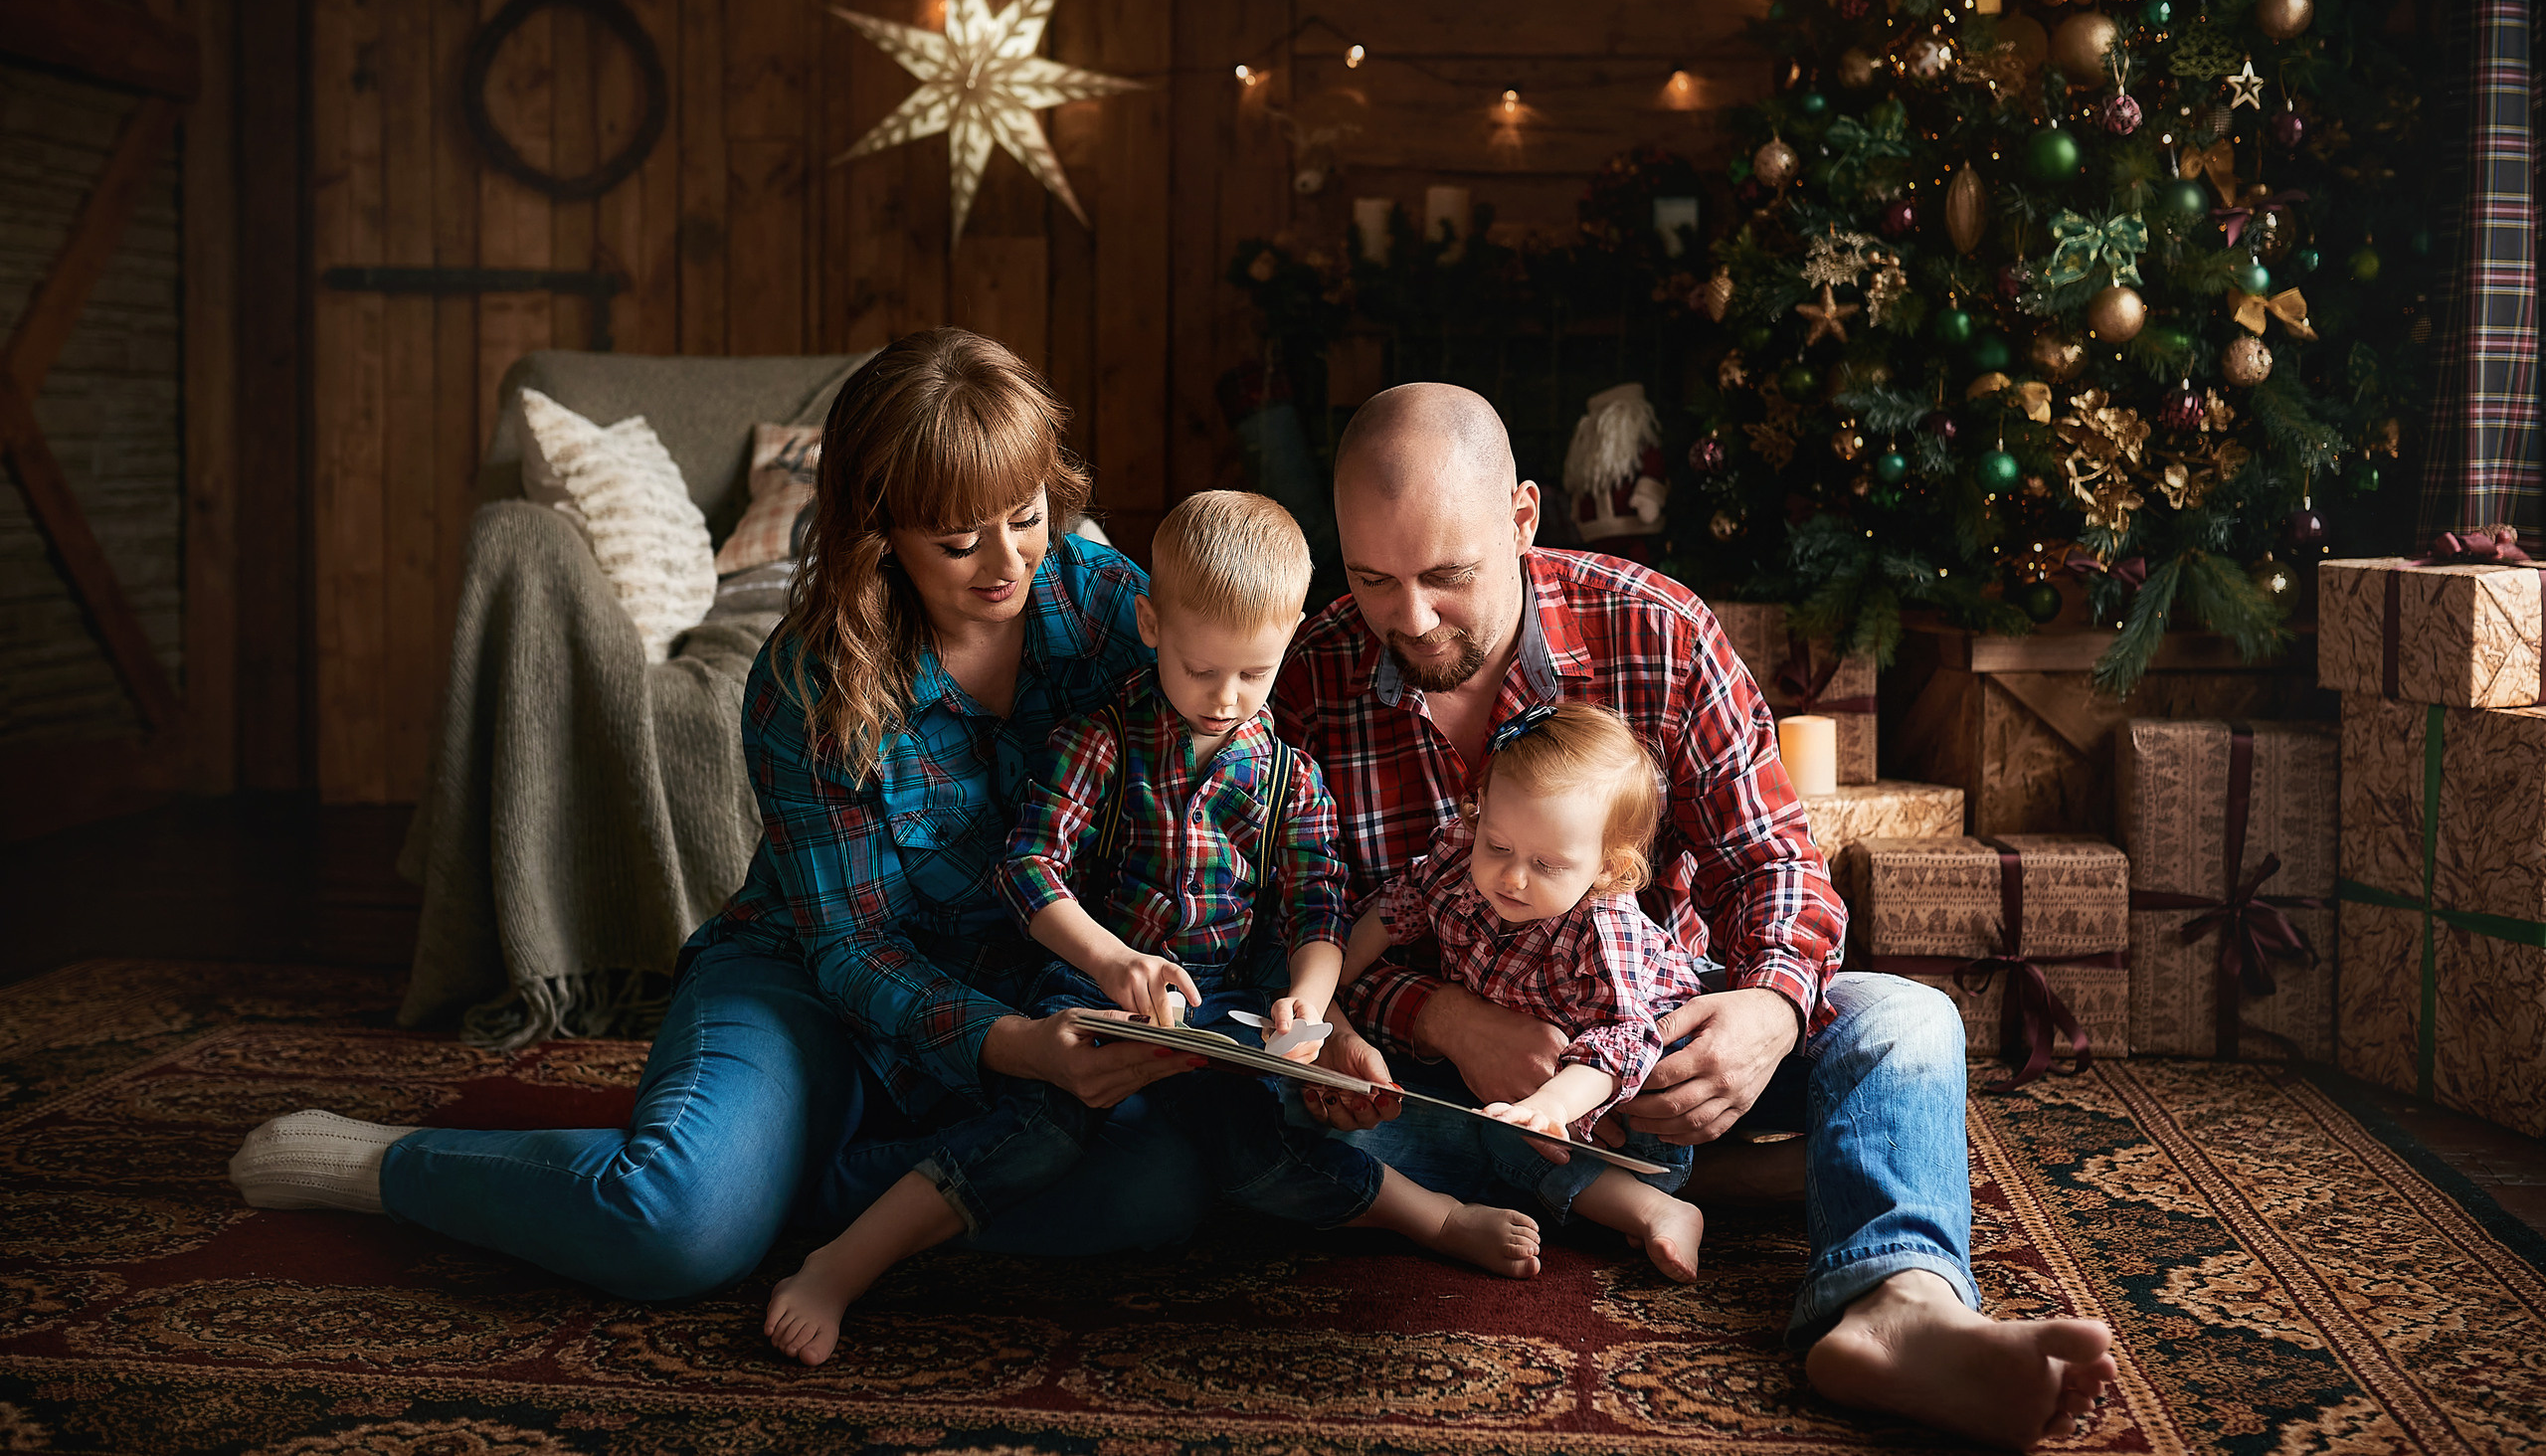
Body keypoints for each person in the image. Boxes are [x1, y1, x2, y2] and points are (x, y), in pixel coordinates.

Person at [225, 330, 1222, 1296]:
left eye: (1027, 515)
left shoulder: (1112, 609)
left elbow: (1232, 782)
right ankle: (398, 1165)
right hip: (811, 990)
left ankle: (783, 1188)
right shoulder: (808, 679)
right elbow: (854, 950)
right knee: (671, 1226)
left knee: (1160, 1190)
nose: (1006, 561)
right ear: (879, 529)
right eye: (958, 539)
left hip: (1030, 997)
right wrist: (1014, 1046)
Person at [1271, 383, 2118, 1451]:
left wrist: (1765, 1012)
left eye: (1448, 575)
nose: (1411, 617)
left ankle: (1899, 1306)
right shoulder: (1309, 674)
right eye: (1371, 578)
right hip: (1450, 1080)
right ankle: (1705, 1180)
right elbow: (1318, 916)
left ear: (1522, 518)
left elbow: (1773, 865)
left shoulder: (1656, 628)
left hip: (1658, 1024)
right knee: (1271, 1119)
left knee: (1907, 1023)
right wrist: (1444, 1020)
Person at [762, 489, 1539, 1365]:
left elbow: (1317, 909)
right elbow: (1029, 869)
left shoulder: (1290, 776)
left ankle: (1440, 1219)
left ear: (1289, 641)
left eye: (1254, 673)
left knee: (1255, 1150)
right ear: (1151, 624)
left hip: (1222, 1007)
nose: (1225, 699)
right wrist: (1111, 959)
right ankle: (842, 1262)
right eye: (1200, 670)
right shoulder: (1104, 739)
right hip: (1093, 983)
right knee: (1043, 1126)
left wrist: (1308, 1001)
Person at [1339, 699, 1710, 1281]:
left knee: (1508, 1136)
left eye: (1547, 865)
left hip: (1638, 1097)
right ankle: (1630, 1193)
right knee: (1474, 1123)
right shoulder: (1459, 854)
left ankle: (1655, 1207)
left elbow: (1628, 1040)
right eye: (1498, 846)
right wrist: (1329, 979)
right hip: (1540, 1076)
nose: (1512, 877)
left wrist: (1550, 1107)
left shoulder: (1600, 928)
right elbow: (1398, 907)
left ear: (1608, 868)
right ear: (1479, 811)